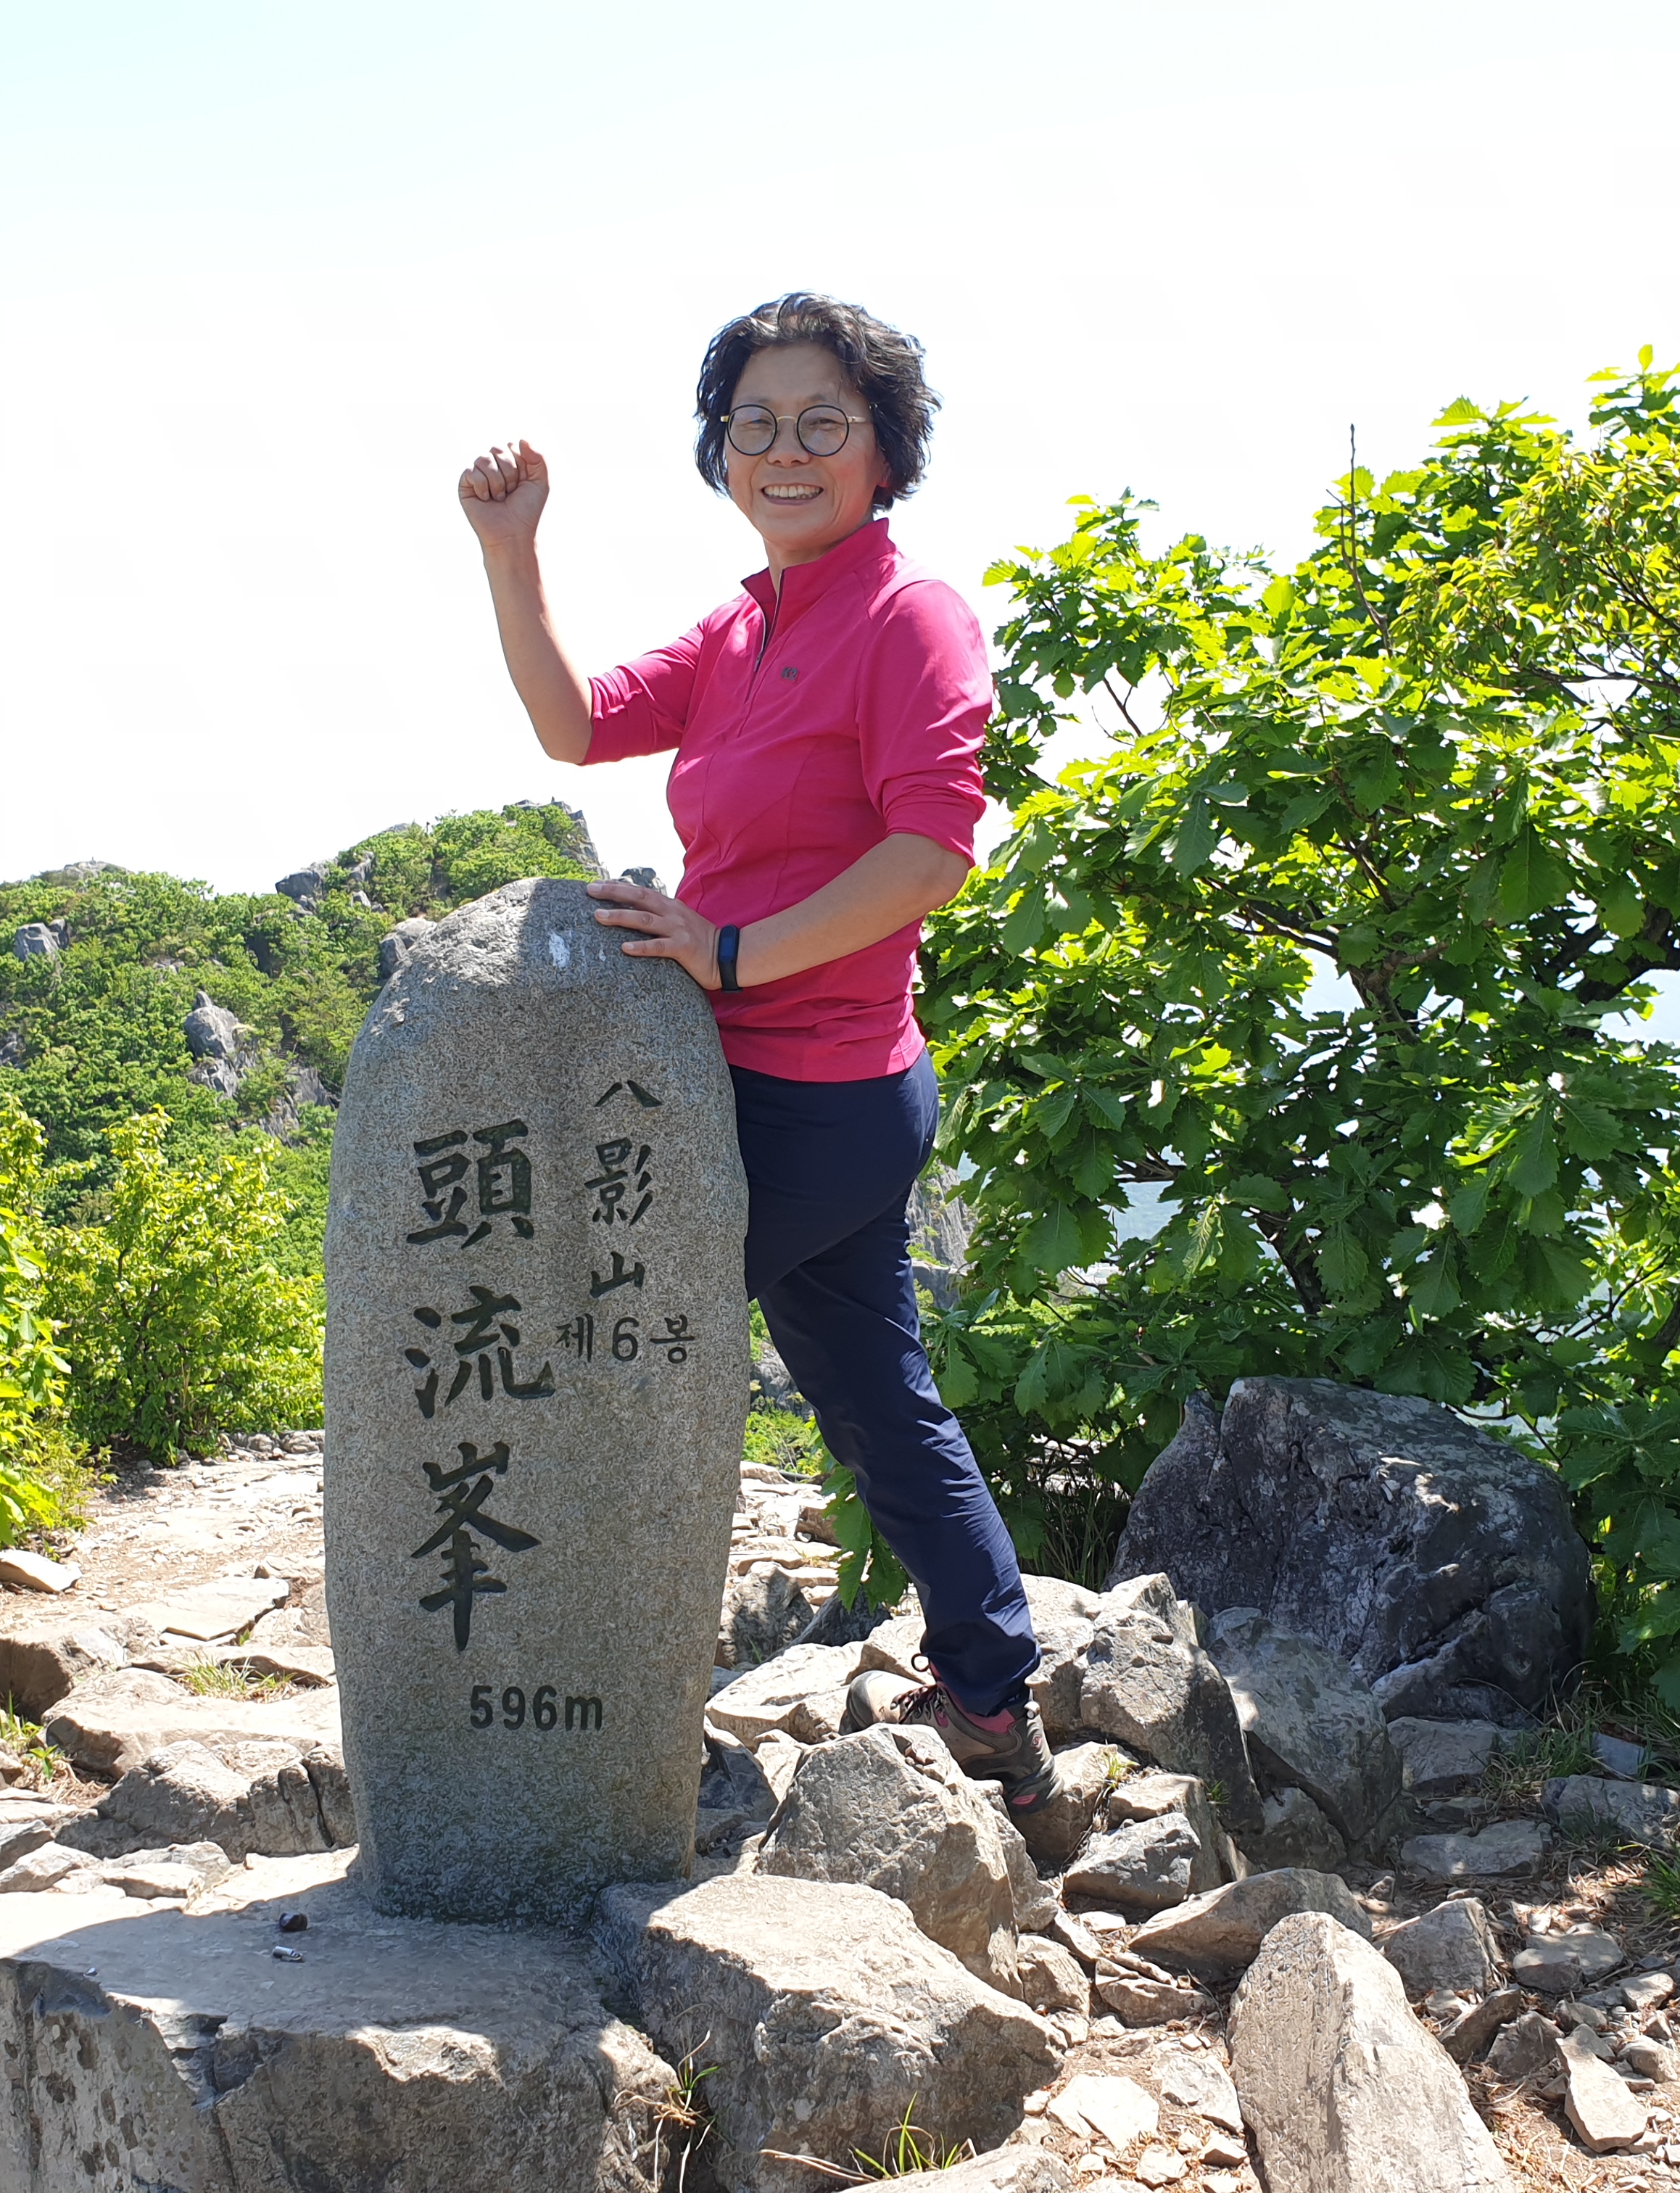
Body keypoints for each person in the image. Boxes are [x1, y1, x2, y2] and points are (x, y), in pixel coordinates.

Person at [454, 292, 1054, 1814]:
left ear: (884, 452)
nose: (786, 449)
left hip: (824, 1097)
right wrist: (512, 553)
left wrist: (725, 954)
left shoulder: (910, 618)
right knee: (875, 1396)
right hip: (743, 1085)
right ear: (721, 451)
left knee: (600, 1337)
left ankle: (564, 1690)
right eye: (755, 423)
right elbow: (577, 725)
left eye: (823, 422)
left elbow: (930, 853)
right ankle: (993, 1696)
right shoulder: (744, 626)